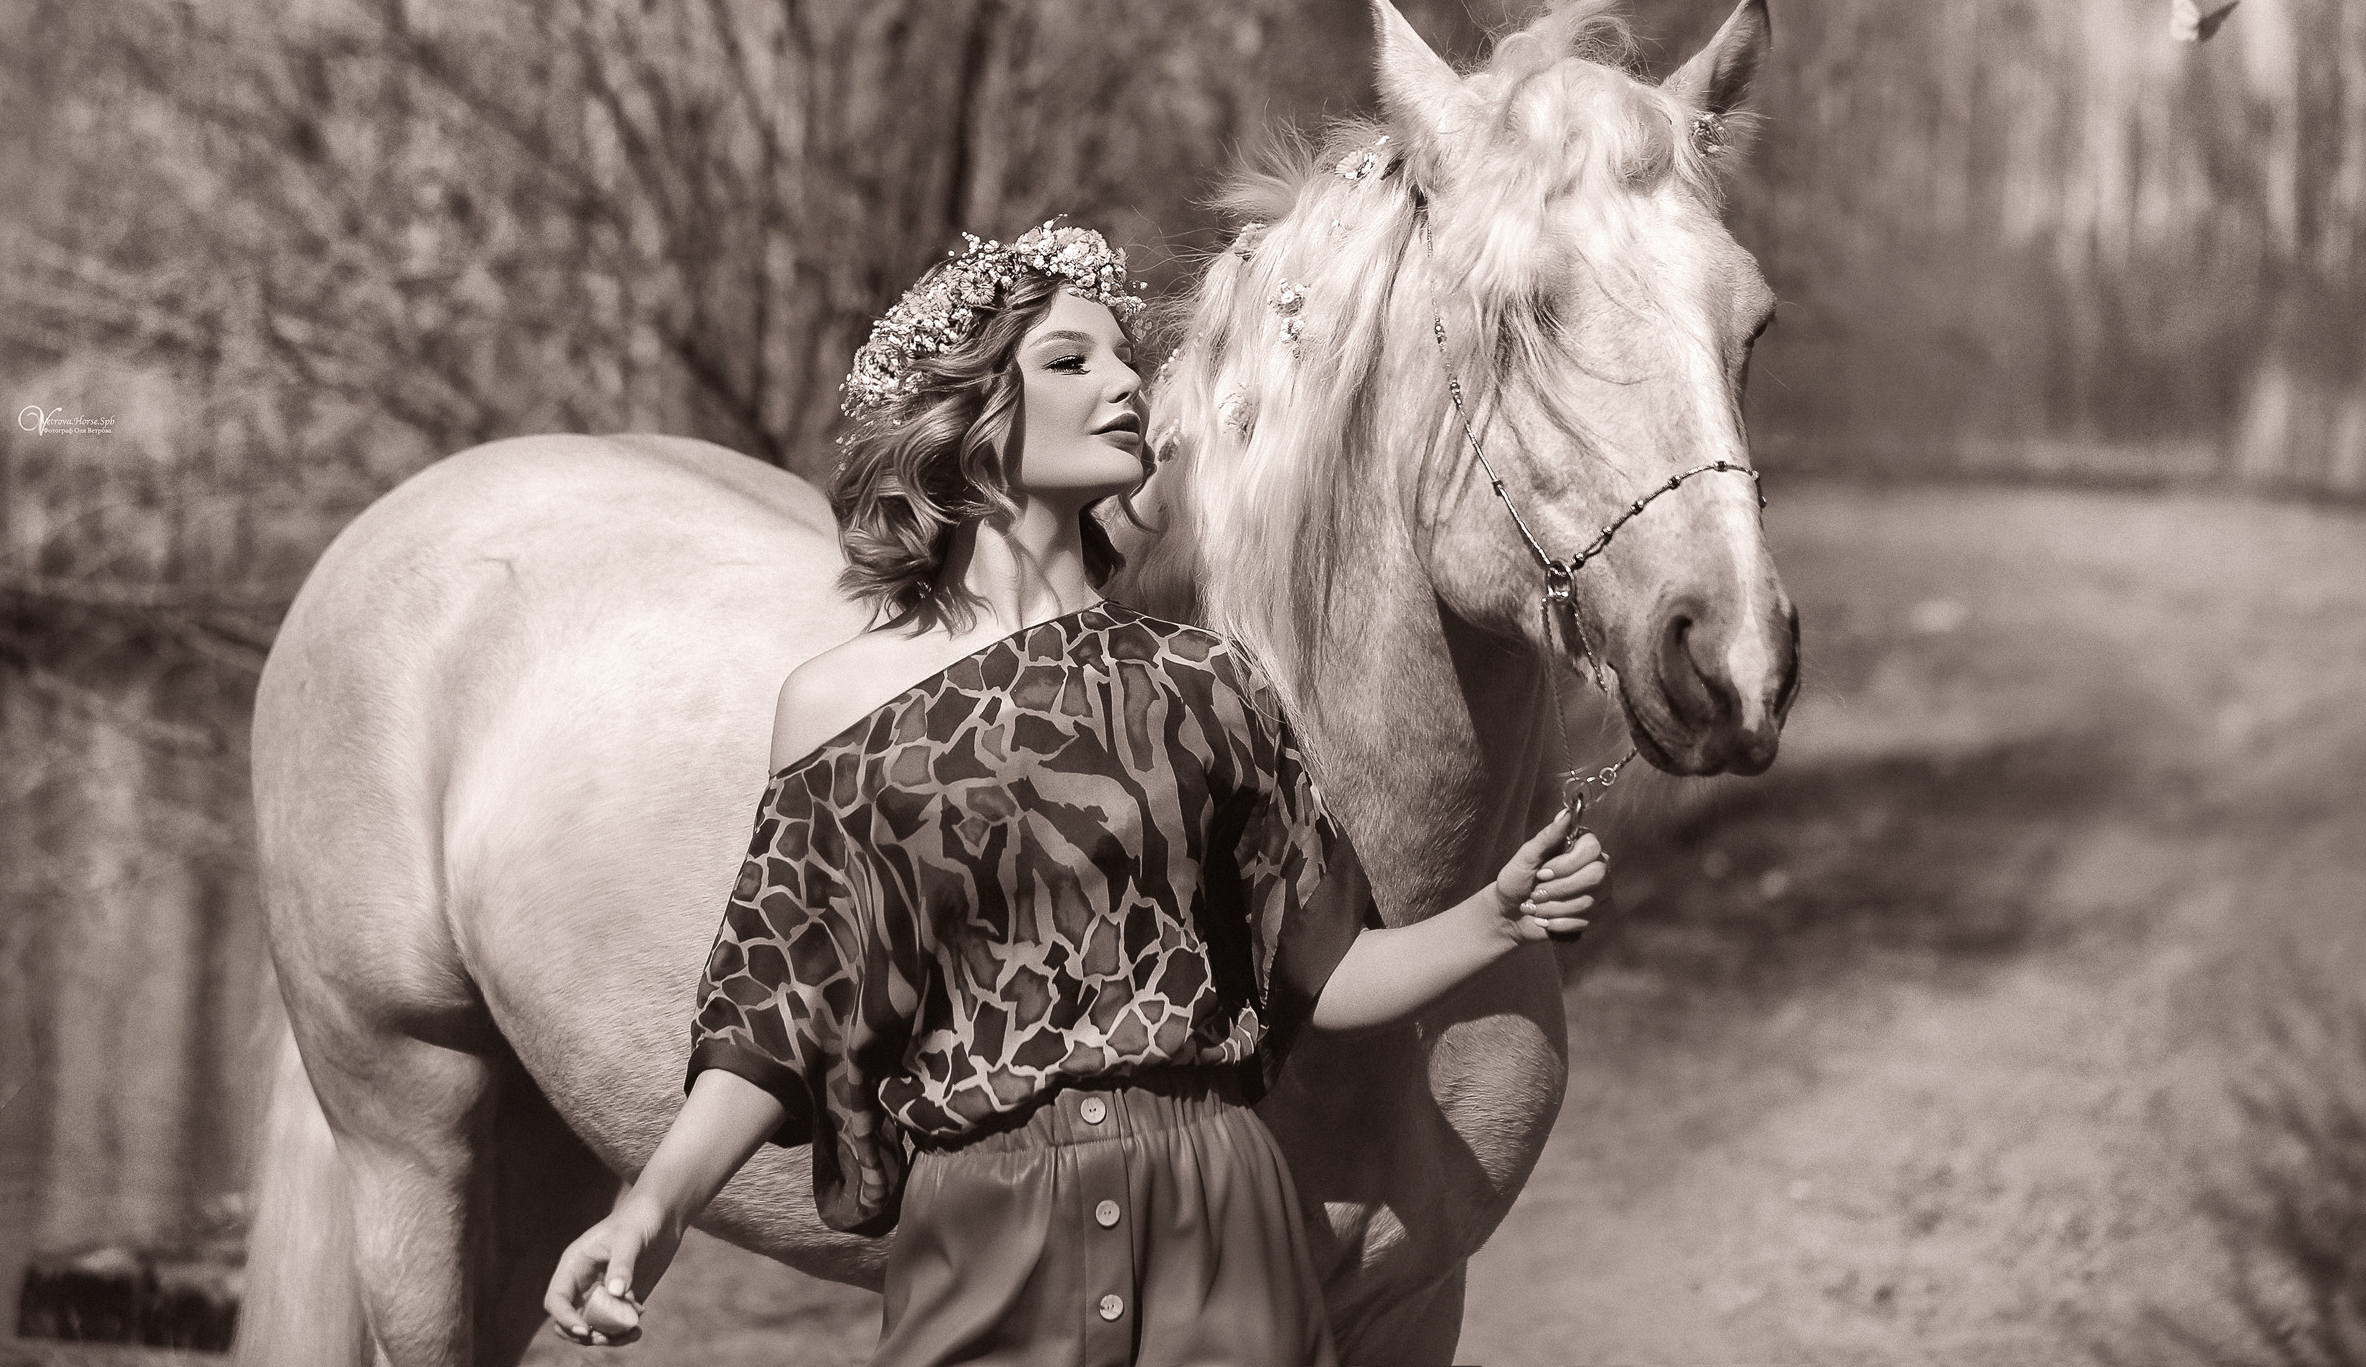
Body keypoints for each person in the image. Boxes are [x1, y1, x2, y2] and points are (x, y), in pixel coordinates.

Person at [541, 221, 1610, 1365]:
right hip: (979, 1230)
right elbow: (778, 1009)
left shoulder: (1208, 682)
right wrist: (652, 1207)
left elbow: (1325, 967)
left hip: (1221, 1220)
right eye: (1071, 361)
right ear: (968, 418)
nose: (1126, 388)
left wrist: (1494, 916)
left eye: (1126, 362)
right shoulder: (834, 706)